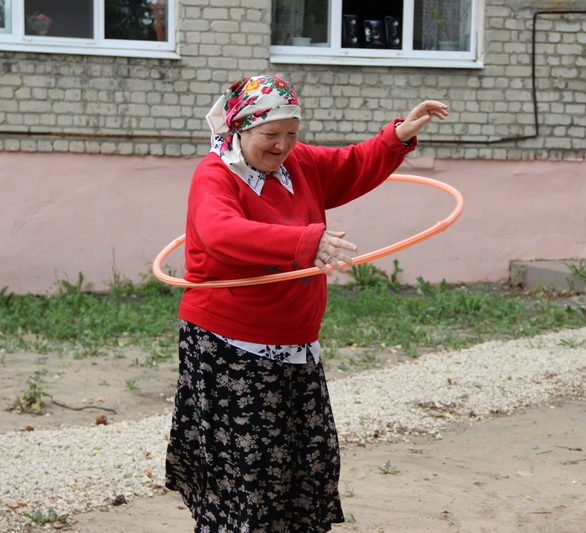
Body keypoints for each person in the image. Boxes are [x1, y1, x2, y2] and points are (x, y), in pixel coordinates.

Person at [165, 74, 448, 532]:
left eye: (292, 133)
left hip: (295, 341)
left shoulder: (300, 164)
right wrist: (304, 242)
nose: (282, 145)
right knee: (250, 474)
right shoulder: (215, 174)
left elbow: (352, 164)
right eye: (270, 134)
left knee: (302, 465)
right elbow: (219, 233)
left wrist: (397, 137)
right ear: (240, 127)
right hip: (230, 344)